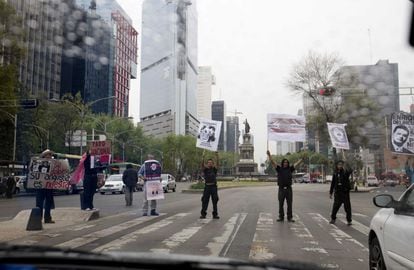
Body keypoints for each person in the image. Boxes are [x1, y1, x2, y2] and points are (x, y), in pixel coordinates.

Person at [267, 150, 303, 222]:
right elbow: (273, 163)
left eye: (287, 162)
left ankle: (290, 217)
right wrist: (269, 155)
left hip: (289, 189)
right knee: (281, 203)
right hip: (281, 189)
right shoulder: (279, 169)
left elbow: (296, 164)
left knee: (289, 204)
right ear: (282, 163)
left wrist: (301, 159)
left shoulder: (290, 169)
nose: (285, 163)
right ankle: (281, 217)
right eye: (284, 162)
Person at [329, 160, 353, 225]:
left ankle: (349, 220)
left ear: (342, 165)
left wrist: (346, 162)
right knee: (335, 207)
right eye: (338, 165)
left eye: (341, 165)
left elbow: (350, 170)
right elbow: (333, 183)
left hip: (345, 192)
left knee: (347, 207)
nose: (340, 166)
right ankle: (333, 219)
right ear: (337, 166)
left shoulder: (345, 172)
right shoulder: (335, 173)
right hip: (338, 193)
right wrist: (331, 192)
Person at [36, 149, 55, 223]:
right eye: (48, 154)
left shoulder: (53, 164)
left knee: (48, 202)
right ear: (44, 156)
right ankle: (38, 218)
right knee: (39, 203)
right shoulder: (38, 164)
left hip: (49, 186)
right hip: (40, 186)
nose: (49, 156)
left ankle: (47, 218)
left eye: (50, 155)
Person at [200, 151, 220, 219]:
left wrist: (217, 156)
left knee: (215, 200)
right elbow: (202, 165)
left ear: (212, 164)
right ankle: (203, 214)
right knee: (205, 200)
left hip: (213, 187)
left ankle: (215, 214)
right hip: (207, 187)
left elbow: (218, 164)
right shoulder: (205, 169)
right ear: (207, 164)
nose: (209, 164)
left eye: (211, 163)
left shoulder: (214, 169)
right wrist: (203, 157)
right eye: (208, 163)